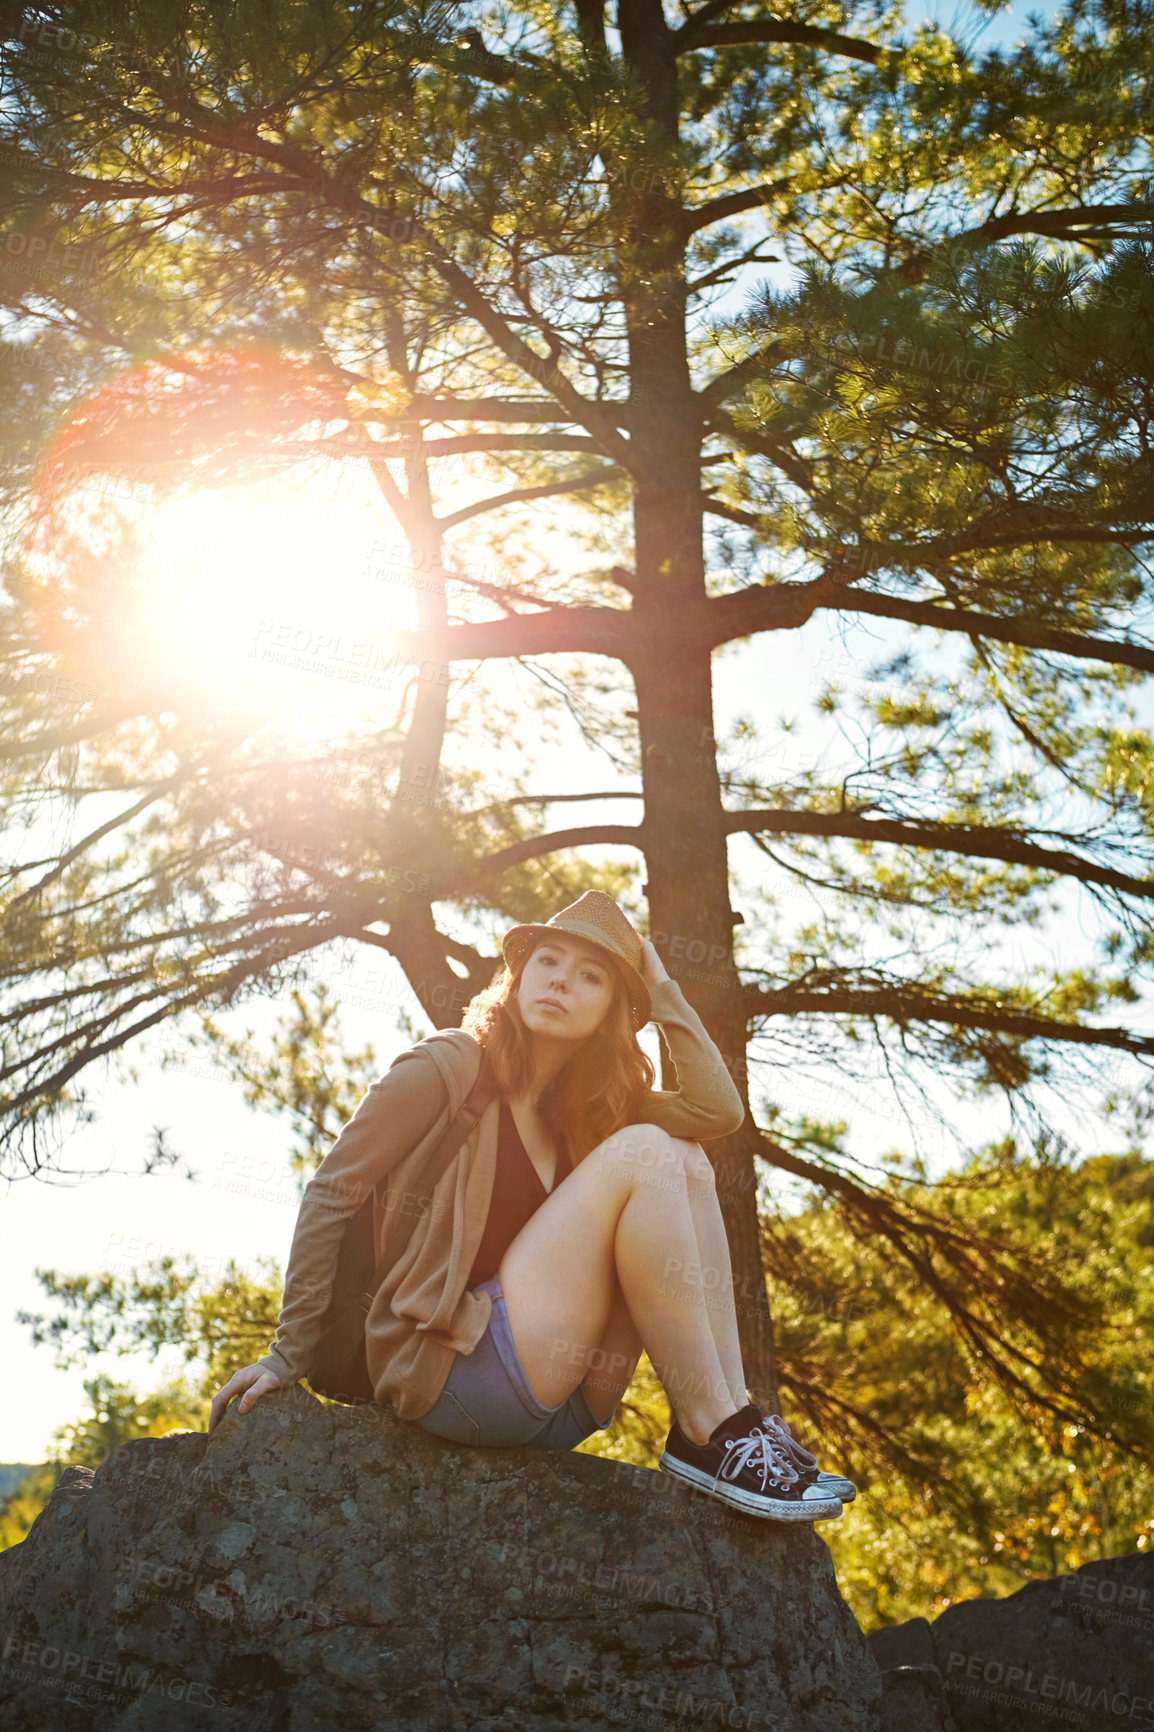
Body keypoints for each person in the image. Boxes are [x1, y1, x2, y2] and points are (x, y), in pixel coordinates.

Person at [208, 891, 855, 1521]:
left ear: (612, 1012)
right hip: (455, 1374)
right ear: (517, 976)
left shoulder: (595, 1113)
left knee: (685, 1158)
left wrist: (660, 999)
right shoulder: (451, 1064)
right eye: (546, 961)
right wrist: (287, 1354)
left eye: (590, 976)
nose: (559, 982)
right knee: (649, 1152)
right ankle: (712, 1432)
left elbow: (717, 1112)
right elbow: (331, 1191)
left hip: (569, 1399)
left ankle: (727, 1422)